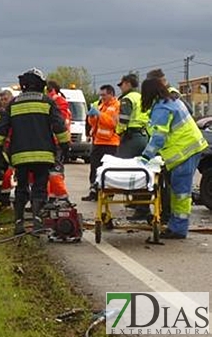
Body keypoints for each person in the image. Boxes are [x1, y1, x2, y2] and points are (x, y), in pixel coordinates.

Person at [0, 68, 70, 235]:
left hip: (19, 156)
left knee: (21, 187)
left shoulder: (13, 104)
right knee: (39, 188)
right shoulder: (47, 102)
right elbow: (59, 127)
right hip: (44, 155)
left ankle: (19, 223)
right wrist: (65, 147)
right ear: (40, 85)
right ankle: (37, 222)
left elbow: (1, 130)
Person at [138, 78, 208, 239]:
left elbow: (158, 138)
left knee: (181, 192)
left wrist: (145, 158)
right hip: (190, 147)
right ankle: (176, 225)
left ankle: (178, 229)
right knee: (178, 190)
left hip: (185, 151)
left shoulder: (162, 108)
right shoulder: (171, 101)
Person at [115, 74, 151, 220]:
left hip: (132, 137)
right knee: (142, 171)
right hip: (144, 136)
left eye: (122, 84)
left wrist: (118, 131)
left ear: (128, 84)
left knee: (122, 168)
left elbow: (124, 119)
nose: (121, 87)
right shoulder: (141, 97)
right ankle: (141, 204)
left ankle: (141, 208)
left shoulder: (127, 99)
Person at [82, 85, 120, 201]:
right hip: (98, 141)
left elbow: (113, 123)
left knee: (107, 170)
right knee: (94, 169)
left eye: (104, 95)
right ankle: (94, 192)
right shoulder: (101, 105)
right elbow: (95, 124)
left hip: (110, 143)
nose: (102, 97)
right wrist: (92, 116)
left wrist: (99, 114)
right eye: (101, 95)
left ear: (111, 94)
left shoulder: (117, 106)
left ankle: (108, 194)